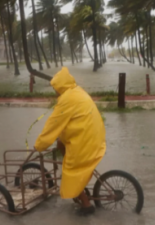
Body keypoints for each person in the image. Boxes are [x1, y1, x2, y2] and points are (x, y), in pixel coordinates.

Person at [34, 67, 106, 215]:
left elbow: (52, 125)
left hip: (85, 140)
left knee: (70, 172)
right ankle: (80, 187)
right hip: (94, 136)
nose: (54, 91)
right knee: (61, 143)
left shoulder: (67, 100)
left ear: (60, 86)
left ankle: (86, 206)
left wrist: (39, 145)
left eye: (55, 88)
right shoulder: (77, 91)